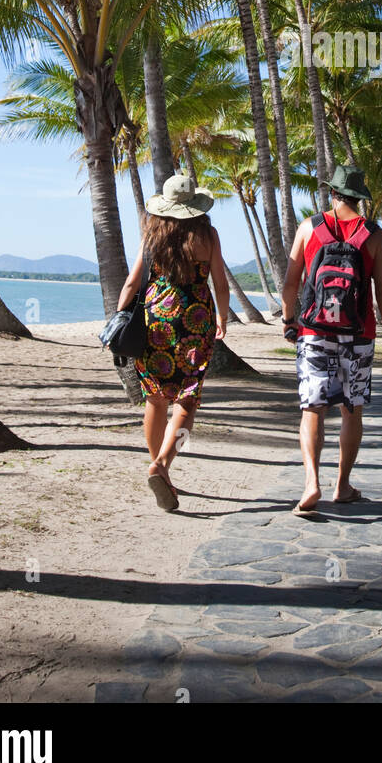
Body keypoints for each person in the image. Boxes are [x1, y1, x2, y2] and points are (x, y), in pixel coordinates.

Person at [280, 163, 382, 516]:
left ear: (332, 193)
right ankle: (342, 485)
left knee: (312, 408)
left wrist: (289, 321)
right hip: (358, 334)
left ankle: (310, 482)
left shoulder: (309, 228)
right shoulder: (375, 235)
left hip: (315, 331)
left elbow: (290, 283)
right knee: (351, 410)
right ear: (359, 198)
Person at [116, 173, 229, 512]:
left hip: (155, 324)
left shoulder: (152, 235)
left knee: (155, 400)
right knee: (187, 401)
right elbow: (221, 284)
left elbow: (132, 283)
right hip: (194, 323)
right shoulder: (208, 235)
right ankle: (163, 465)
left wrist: (120, 319)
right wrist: (222, 316)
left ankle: (158, 467)